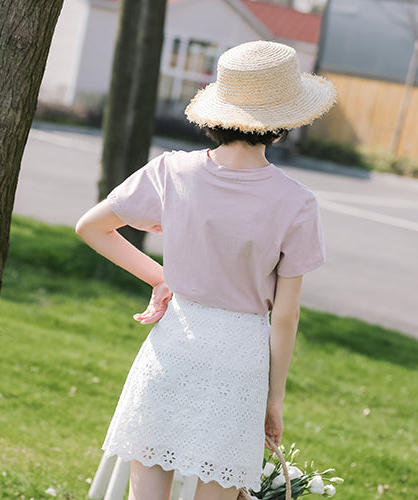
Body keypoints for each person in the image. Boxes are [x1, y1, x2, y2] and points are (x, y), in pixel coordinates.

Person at [75, 40, 336, 500]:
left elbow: (92, 227)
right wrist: (274, 401)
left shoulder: (171, 171)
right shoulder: (297, 203)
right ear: (281, 125)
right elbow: (287, 317)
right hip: (240, 364)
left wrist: (160, 277)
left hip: (173, 345)